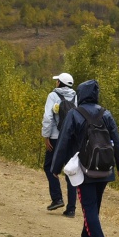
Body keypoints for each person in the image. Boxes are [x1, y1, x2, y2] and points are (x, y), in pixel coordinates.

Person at [50, 79, 119, 237]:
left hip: (85, 168)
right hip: (105, 167)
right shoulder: (106, 114)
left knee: (89, 206)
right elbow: (116, 141)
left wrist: (56, 167)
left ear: (81, 95)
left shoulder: (74, 114)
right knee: (94, 205)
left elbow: (63, 142)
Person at [41, 73, 78, 217]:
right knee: (70, 171)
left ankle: (57, 198)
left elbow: (48, 117)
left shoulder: (53, 96)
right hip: (72, 139)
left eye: (57, 81)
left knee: (49, 166)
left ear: (60, 83)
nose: (55, 82)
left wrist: (46, 136)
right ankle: (71, 208)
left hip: (56, 138)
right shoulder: (76, 96)